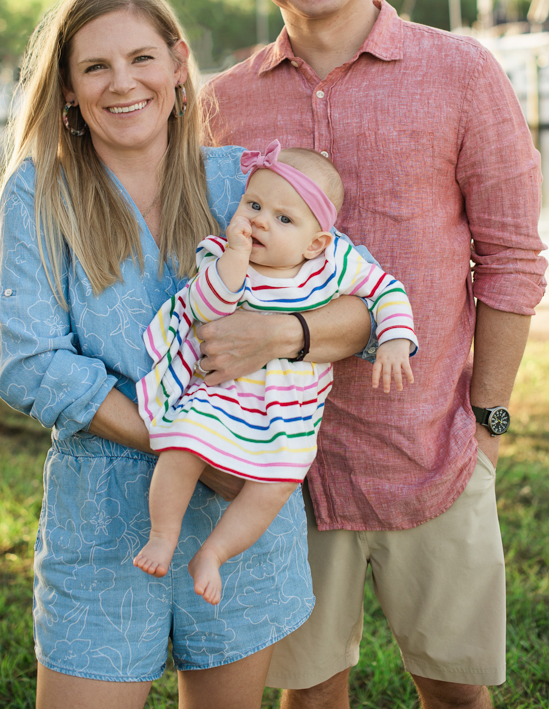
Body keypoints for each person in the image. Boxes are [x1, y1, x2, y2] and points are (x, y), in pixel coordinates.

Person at [201, 0, 548, 709]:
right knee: (309, 695)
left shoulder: (461, 72)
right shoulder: (221, 104)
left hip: (430, 446)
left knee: (457, 695)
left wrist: (489, 422)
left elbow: (510, 258)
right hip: (278, 467)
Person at [0, 0, 374, 709]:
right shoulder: (41, 194)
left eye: (141, 58)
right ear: (69, 89)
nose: (122, 83)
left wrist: (279, 333)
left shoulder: (247, 183)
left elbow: (358, 312)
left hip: (239, 531)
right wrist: (198, 450)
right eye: (94, 66)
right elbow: (31, 367)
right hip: (104, 521)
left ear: (177, 64)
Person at [133, 140, 417, 601]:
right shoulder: (222, 255)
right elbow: (206, 308)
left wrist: (395, 340)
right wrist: (234, 261)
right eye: (254, 205)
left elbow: (387, 291)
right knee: (182, 447)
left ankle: (215, 553)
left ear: (316, 242)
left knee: (277, 484)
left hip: (291, 408)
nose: (260, 221)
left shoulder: (335, 263)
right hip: (224, 393)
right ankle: (162, 535)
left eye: (284, 219)